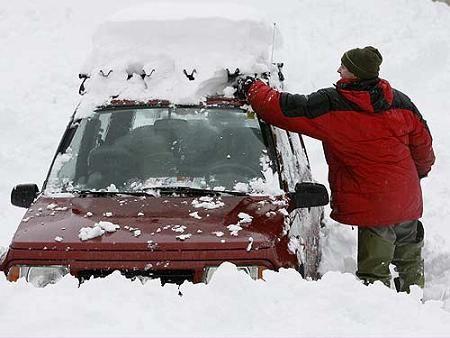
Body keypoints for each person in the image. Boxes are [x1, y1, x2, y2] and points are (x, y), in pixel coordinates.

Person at [237, 46, 435, 292]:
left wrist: (251, 87)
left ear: (355, 74)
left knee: (375, 270)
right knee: (410, 261)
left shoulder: (334, 104)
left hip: (374, 204)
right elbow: (423, 145)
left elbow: (282, 108)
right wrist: (418, 173)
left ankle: (383, 315)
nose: (338, 70)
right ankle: (414, 303)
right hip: (407, 197)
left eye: (344, 67)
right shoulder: (400, 101)